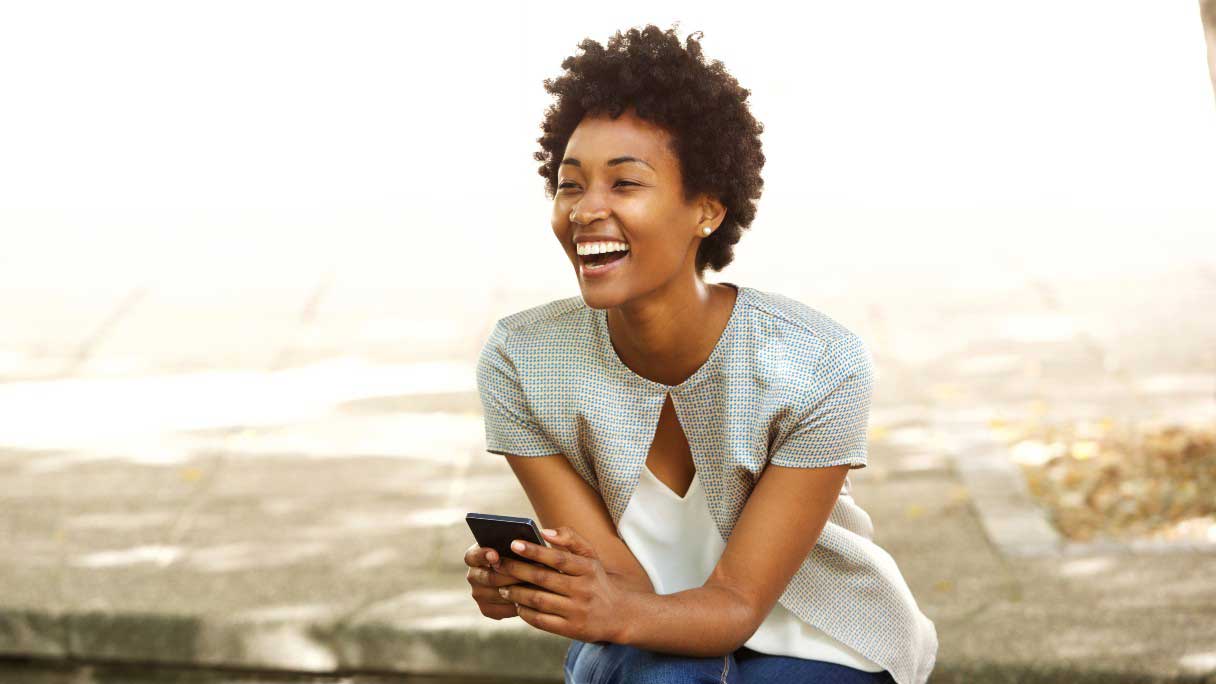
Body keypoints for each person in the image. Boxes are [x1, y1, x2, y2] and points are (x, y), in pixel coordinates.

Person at [464, 23, 937, 684]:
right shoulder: (523, 361)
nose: (585, 209)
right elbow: (616, 583)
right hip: (642, 634)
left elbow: (738, 604)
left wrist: (601, 608)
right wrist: (544, 586)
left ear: (706, 210)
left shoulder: (816, 363)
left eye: (624, 184)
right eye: (571, 185)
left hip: (818, 638)